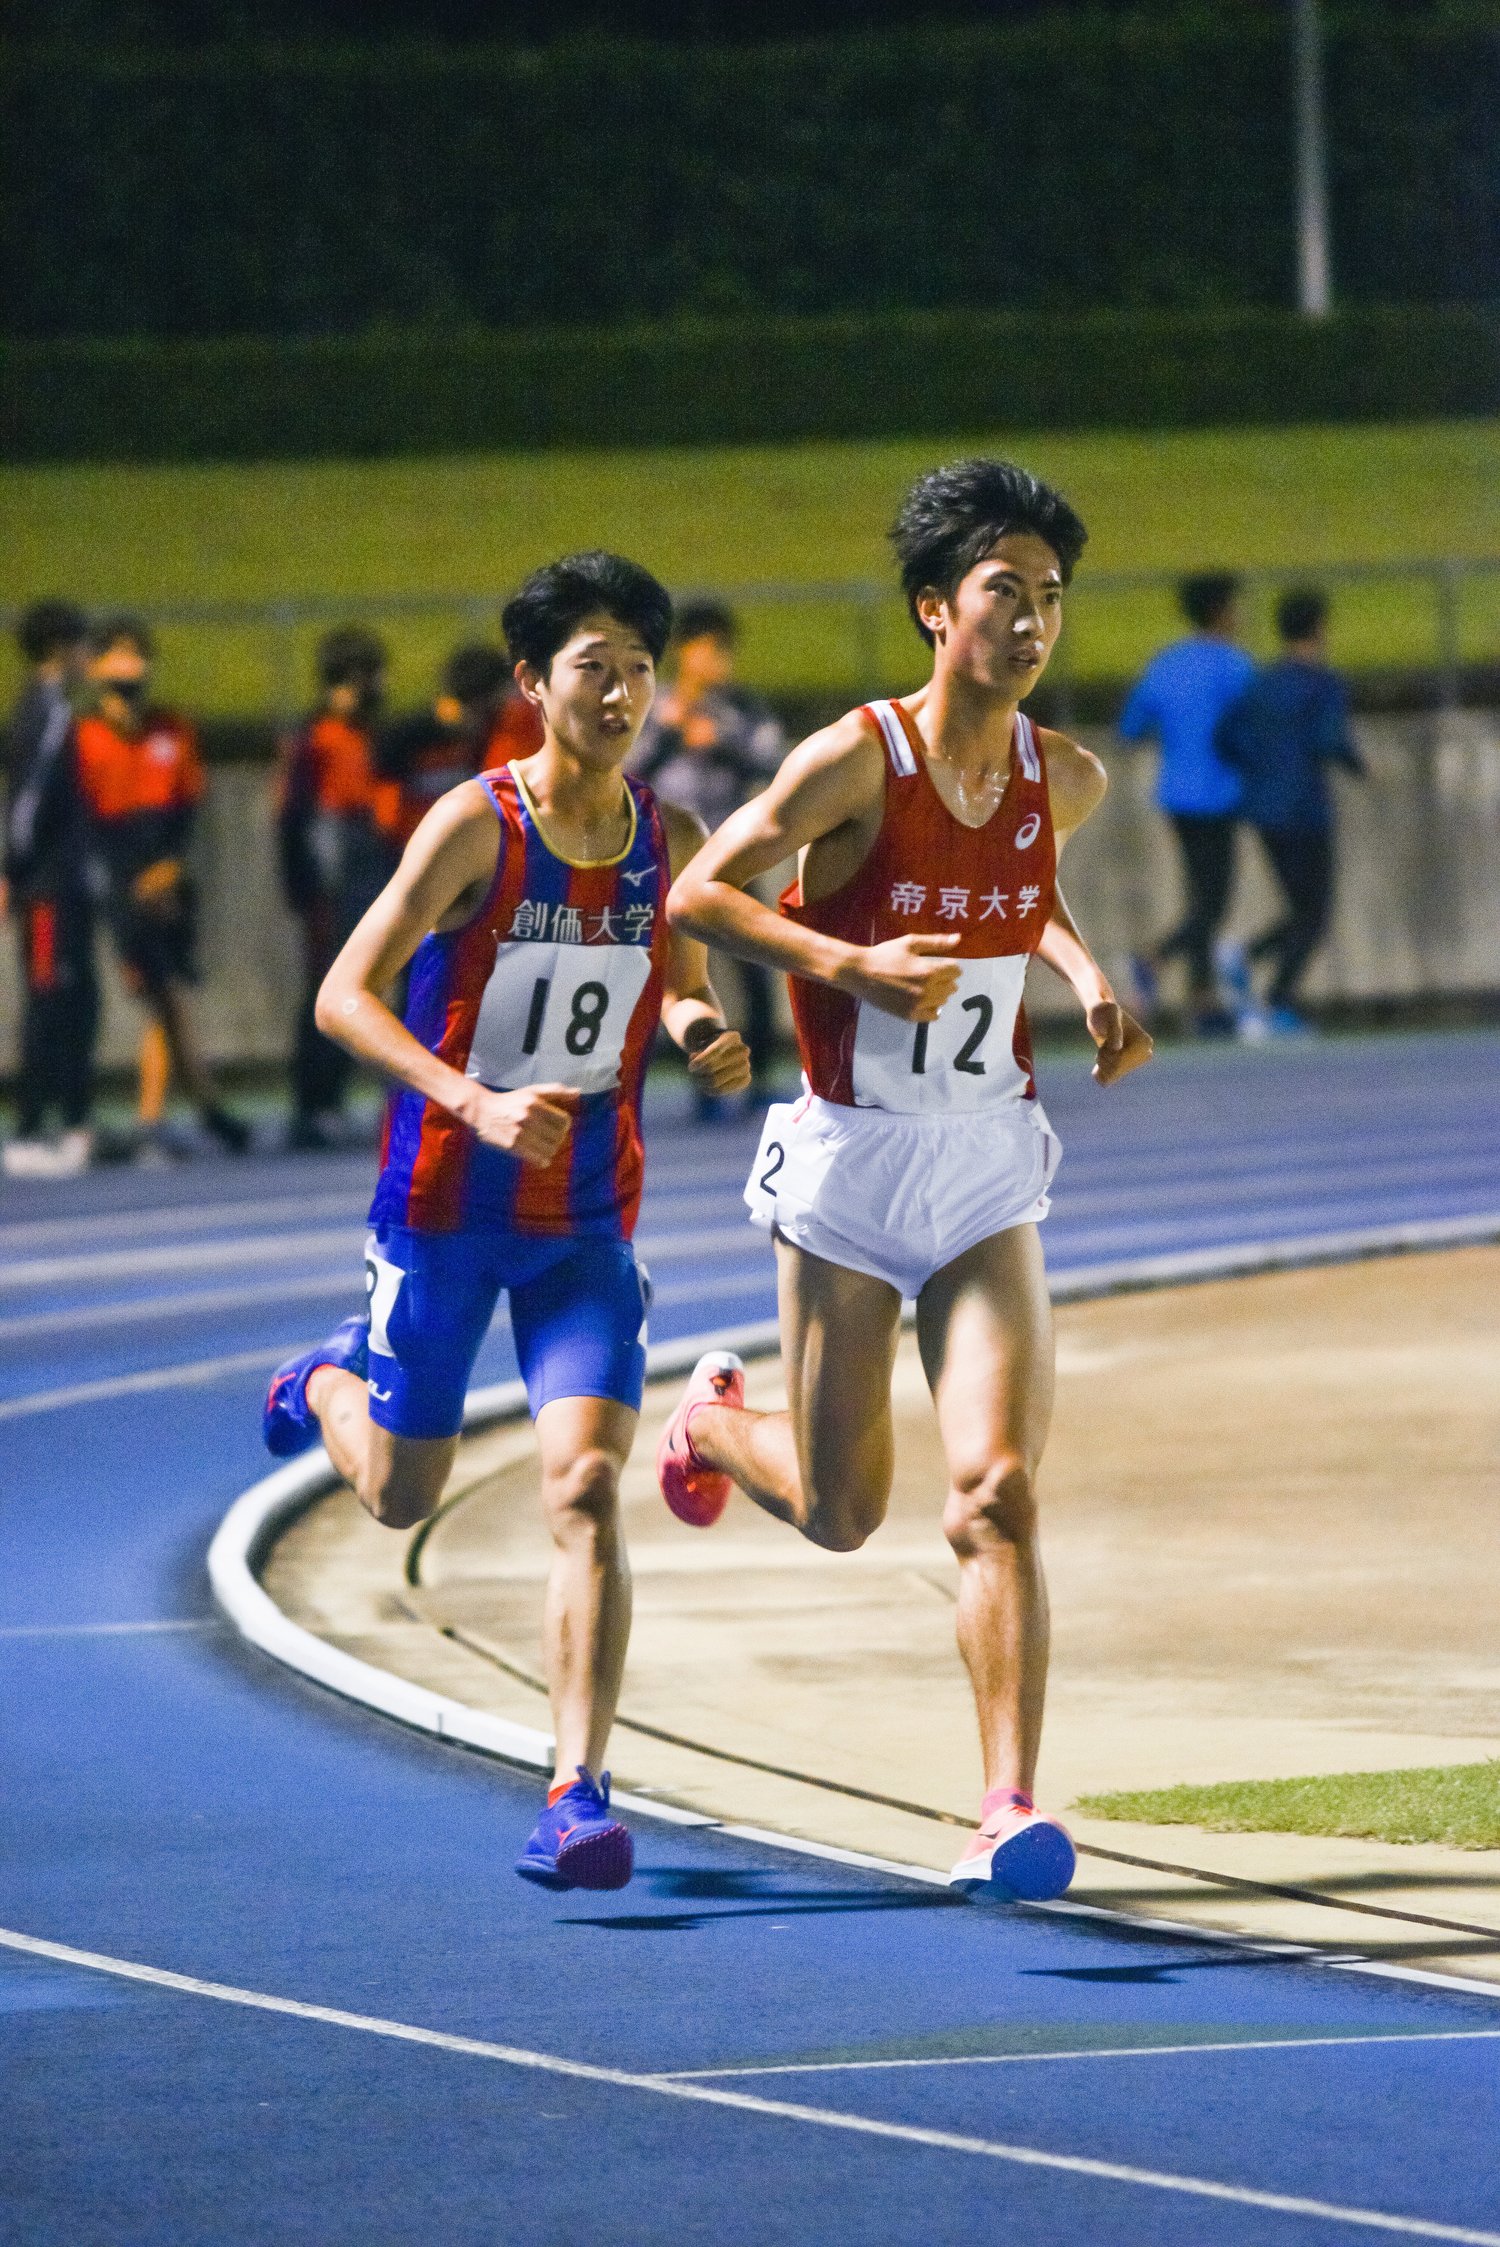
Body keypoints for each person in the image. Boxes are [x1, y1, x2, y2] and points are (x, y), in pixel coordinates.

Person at [657, 460, 1153, 1905]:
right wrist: (842, 959)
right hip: (852, 1168)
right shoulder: (850, 763)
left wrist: (1080, 969)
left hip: (989, 1163)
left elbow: (1026, 884)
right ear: (938, 609)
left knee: (996, 1491)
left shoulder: (1069, 775)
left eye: (1053, 595)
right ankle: (711, 1421)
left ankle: (1007, 1804)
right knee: (840, 1510)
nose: (1035, 619)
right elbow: (701, 893)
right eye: (1007, 591)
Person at [260, 552, 749, 1891]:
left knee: (586, 1487)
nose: (623, 691)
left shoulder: (672, 839)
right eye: (594, 667)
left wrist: (705, 1032)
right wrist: (465, 1096)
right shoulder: (476, 826)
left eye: (639, 667)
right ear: (534, 683)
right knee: (402, 1493)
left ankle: (576, 1787)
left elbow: (681, 984)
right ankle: (319, 1380)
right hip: (442, 1207)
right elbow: (345, 996)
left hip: (587, 1215)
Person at [75, 617, 250, 1158]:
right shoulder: (82, 737)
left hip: (165, 874)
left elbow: (187, 810)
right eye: (118, 656)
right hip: (114, 872)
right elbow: (81, 820)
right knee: (159, 994)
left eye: (138, 655)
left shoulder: (171, 730)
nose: (131, 669)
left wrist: (171, 870)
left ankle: (182, 1113)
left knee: (166, 994)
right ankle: (197, 1109)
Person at [630, 602, 788, 1106]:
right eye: (706, 649)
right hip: (666, 859)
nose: (716, 661)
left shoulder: (742, 708)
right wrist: (671, 734)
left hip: (731, 856)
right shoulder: (654, 705)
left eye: (723, 651)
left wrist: (720, 742)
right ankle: (703, 1084)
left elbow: (774, 760)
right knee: (681, 975)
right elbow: (627, 770)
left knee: (754, 967)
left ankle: (758, 1075)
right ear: (683, 652)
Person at [1215, 587, 1364, 1036]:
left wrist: (1260, 768)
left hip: (1264, 810)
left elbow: (1227, 736)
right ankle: (1277, 998)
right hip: (1306, 811)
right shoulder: (1323, 683)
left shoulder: (1261, 682)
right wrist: (1359, 764)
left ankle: (1246, 959)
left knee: (1300, 907)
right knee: (1315, 911)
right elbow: (1328, 739)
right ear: (1320, 628)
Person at [1117, 571, 1256, 1033]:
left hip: (1176, 793)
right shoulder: (1237, 666)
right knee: (1213, 904)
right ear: (1220, 611)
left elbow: (1132, 726)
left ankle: (1202, 998)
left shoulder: (1167, 663)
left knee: (1200, 897)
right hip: (1221, 794)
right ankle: (1154, 961)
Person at [276, 626, 394, 1150]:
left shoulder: (377, 736)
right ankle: (311, 1103)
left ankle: (333, 1099)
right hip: (331, 880)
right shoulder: (315, 740)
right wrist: (302, 889)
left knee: (363, 988)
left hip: (371, 869)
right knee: (326, 989)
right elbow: (292, 820)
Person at [1, 599, 99, 1179]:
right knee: (49, 1002)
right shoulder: (44, 711)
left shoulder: (57, 708)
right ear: (60, 648)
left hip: (65, 884)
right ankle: (32, 1129)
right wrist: (14, 873)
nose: (90, 656)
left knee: (76, 1000)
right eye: (83, 644)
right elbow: (25, 802)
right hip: (47, 888)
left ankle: (71, 1120)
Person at [375, 641, 515, 850]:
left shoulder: (488, 732)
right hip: (409, 841)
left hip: (455, 841)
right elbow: (386, 795)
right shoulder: (411, 733)